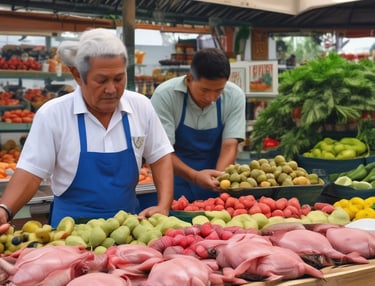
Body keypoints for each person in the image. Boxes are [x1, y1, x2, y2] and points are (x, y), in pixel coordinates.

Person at [0, 28, 174, 228]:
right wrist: (5, 209)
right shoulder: (53, 114)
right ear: (77, 75)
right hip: (69, 233)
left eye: (118, 79)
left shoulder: (140, 106)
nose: (111, 89)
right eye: (101, 80)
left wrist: (163, 205)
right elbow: (31, 172)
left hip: (128, 228)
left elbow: (160, 156)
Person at [151, 48, 246, 202]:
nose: (211, 98)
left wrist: (219, 180)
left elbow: (230, 145)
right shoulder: (165, 96)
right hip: (175, 183)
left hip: (216, 185)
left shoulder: (235, 96)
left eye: (218, 91)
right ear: (189, 80)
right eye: (204, 90)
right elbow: (162, 152)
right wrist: (195, 176)